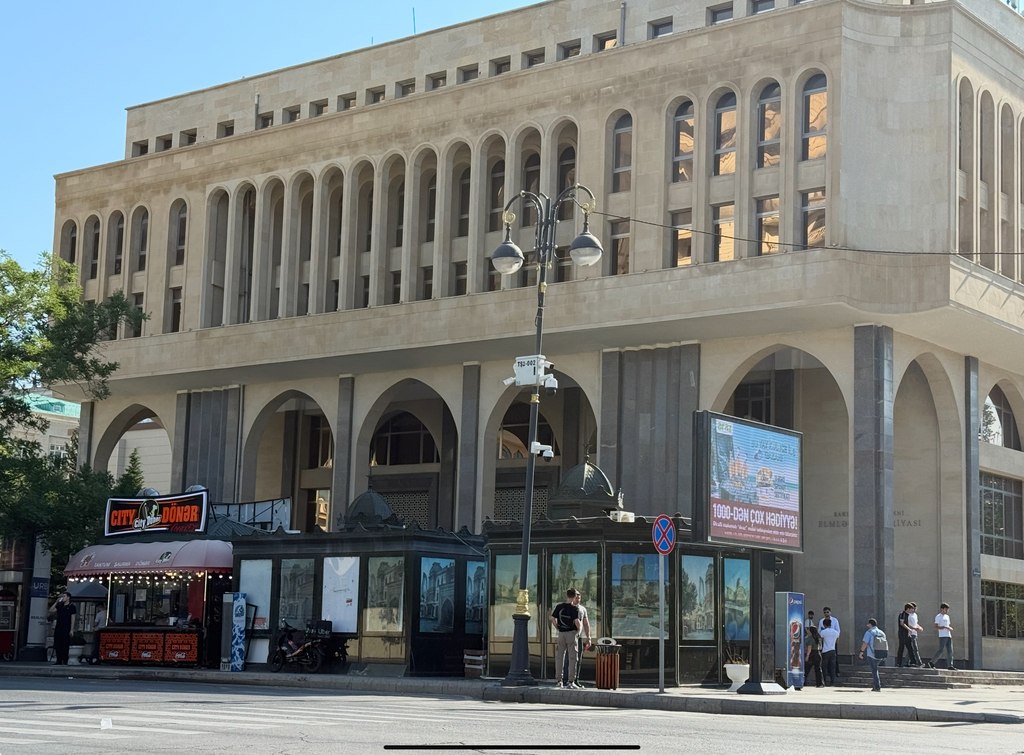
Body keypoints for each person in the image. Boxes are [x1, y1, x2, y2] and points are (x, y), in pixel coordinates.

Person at [550, 588, 582, 688]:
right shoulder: (575, 608)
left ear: (567, 595)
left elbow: (552, 618)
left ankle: (559, 680)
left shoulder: (559, 606)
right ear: (574, 596)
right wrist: (578, 631)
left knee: (560, 657)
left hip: (561, 634)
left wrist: (557, 627)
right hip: (571, 634)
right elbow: (577, 622)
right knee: (573, 658)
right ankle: (571, 681)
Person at [49, 592, 77, 665]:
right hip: (58, 626)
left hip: (66, 627)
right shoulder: (60, 605)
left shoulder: (72, 606)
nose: (63, 598)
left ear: (68, 597)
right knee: (57, 643)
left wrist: (71, 629)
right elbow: (51, 610)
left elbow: (73, 618)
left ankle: (65, 660)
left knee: (65, 644)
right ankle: (58, 660)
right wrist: (56, 602)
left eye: (64, 596)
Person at [858, 618, 886, 691]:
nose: (867, 625)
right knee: (875, 669)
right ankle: (876, 685)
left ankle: (877, 686)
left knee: (874, 670)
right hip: (881, 653)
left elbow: (865, 643)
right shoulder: (882, 632)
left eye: (868, 624)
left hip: (871, 654)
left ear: (870, 624)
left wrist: (861, 652)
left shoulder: (869, 632)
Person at [926, 602, 956, 671]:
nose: (947, 611)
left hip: (948, 635)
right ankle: (932, 662)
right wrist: (944, 627)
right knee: (941, 650)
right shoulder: (938, 616)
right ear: (942, 609)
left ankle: (950, 665)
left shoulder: (947, 617)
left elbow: (948, 625)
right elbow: (936, 626)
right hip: (942, 635)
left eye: (947, 609)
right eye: (946, 609)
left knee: (950, 651)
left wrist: (949, 628)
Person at [572, 591, 592, 687]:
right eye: (576, 598)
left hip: (578, 637)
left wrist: (588, 637)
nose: (578, 600)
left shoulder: (582, 609)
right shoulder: (567, 608)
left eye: (579, 598)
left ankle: (576, 679)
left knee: (578, 658)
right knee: (567, 658)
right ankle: (565, 679)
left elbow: (586, 623)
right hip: (568, 636)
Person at [818, 607, 841, 677]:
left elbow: (838, 631)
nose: (826, 614)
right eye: (825, 612)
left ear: (830, 612)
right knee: (825, 658)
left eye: (827, 612)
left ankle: (836, 671)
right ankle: (827, 672)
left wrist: (836, 639)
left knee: (834, 657)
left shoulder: (834, 620)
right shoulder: (821, 621)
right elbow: (819, 631)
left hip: (833, 640)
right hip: (825, 640)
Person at [906, 602, 923, 667]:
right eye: (913, 608)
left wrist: (919, 627)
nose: (914, 610)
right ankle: (919, 663)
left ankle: (906, 662)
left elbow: (916, 623)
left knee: (911, 649)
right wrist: (914, 628)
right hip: (910, 633)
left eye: (915, 608)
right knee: (915, 648)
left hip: (915, 633)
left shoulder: (915, 615)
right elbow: (907, 624)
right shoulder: (908, 615)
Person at [895, 603, 912, 668]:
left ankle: (913, 662)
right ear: (908, 609)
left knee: (910, 648)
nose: (912, 611)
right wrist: (909, 629)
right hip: (902, 634)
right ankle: (899, 663)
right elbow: (902, 623)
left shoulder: (907, 615)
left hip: (906, 634)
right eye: (911, 609)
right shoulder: (902, 614)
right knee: (901, 648)